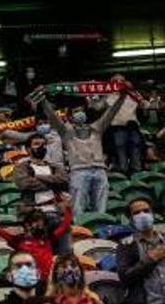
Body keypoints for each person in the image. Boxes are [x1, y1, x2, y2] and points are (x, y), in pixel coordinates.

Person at [38, 88, 128, 218]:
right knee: (78, 207)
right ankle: (80, 231)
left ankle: (99, 228)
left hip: (100, 169)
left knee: (101, 207)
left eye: (81, 110)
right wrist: (43, 100)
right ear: (70, 116)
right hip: (79, 171)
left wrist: (122, 97)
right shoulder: (66, 132)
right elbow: (52, 117)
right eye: (76, 112)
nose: (79, 113)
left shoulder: (97, 128)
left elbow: (111, 112)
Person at [117, 197, 165, 304]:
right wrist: (150, 260)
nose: (142, 215)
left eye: (146, 211)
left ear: (153, 214)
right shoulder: (126, 245)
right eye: (136, 213)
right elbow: (125, 277)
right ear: (131, 219)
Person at [12, 132, 70, 227]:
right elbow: (24, 184)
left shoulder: (54, 167)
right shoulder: (21, 167)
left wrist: (38, 177)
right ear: (28, 149)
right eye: (36, 144)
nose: (41, 147)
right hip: (32, 213)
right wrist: (53, 184)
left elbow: (64, 181)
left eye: (43, 144)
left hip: (56, 211)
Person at [103, 75, 143, 175]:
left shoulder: (133, 95)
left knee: (135, 151)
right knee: (121, 152)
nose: (119, 82)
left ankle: (137, 174)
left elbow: (143, 104)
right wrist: (91, 97)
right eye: (116, 80)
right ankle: (123, 175)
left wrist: (132, 90)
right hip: (118, 128)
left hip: (133, 127)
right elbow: (96, 107)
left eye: (122, 80)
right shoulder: (108, 96)